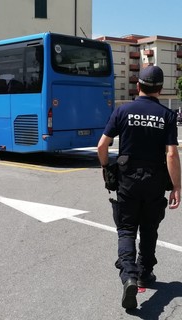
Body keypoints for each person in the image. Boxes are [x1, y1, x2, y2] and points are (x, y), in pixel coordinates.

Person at [97, 65, 181, 310]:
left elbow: (102, 146)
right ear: (161, 88)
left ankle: (129, 276)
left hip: (128, 180)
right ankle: (145, 272)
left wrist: (106, 167)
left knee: (126, 229)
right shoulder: (167, 115)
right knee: (149, 228)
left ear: (138, 86)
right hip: (155, 181)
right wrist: (176, 186)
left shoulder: (123, 111)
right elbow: (172, 154)